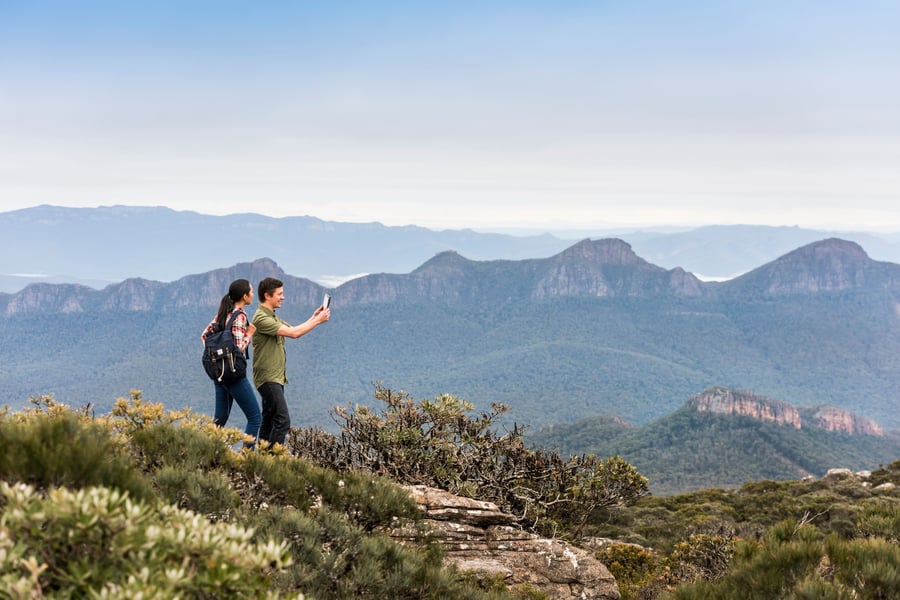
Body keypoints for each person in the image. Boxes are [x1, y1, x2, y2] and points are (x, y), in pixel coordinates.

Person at [251, 276, 330, 446]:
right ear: (267, 296)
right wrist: (318, 320)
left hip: (275, 378)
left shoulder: (271, 316)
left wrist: (313, 317)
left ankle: (262, 461)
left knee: (269, 420)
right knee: (282, 420)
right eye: (279, 294)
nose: (283, 297)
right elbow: (294, 334)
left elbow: (293, 329)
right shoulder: (261, 319)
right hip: (268, 378)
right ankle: (274, 460)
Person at [201, 278, 262, 447]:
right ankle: (245, 460)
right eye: (250, 291)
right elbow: (237, 348)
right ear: (244, 296)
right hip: (233, 375)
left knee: (219, 420)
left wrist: (217, 352)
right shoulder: (240, 316)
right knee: (255, 418)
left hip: (218, 374)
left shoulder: (222, 313)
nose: (252, 294)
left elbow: (204, 336)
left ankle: (205, 451)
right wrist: (249, 335)